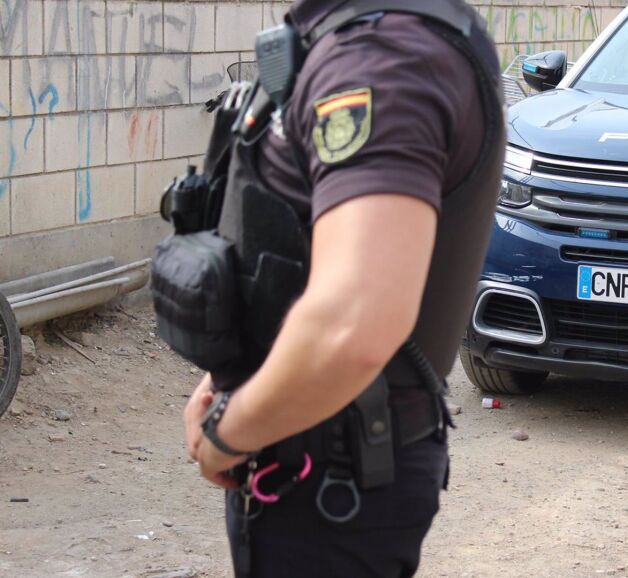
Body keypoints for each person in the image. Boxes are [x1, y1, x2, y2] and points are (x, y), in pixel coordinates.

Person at [176, 1, 504, 575]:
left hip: (329, 471)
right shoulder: (361, 34)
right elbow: (301, 251)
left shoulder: (381, 60)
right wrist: (227, 378)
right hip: (317, 455)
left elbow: (354, 322)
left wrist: (227, 432)